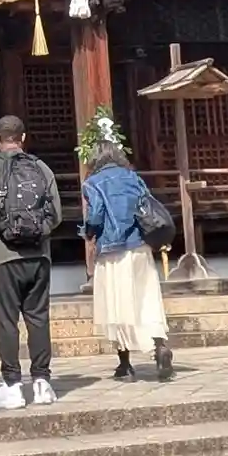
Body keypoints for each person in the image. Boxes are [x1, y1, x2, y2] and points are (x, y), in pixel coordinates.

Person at [0, 114, 61, 409]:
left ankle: (12, 386)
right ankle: (42, 383)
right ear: (24, 138)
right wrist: (35, 235)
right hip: (39, 257)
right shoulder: (42, 168)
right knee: (38, 317)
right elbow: (57, 215)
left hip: (2, 256)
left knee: (6, 320)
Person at [80, 141, 172, 381]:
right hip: (139, 245)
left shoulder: (93, 183)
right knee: (146, 298)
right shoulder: (133, 177)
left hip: (112, 250)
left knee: (117, 305)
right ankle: (159, 346)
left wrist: (88, 232)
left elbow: (96, 216)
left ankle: (125, 363)